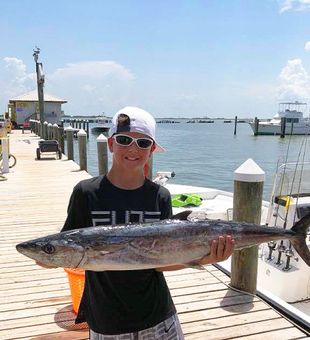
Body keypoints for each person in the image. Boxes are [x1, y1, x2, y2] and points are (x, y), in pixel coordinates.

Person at [39, 106, 235, 339]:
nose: (133, 149)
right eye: (124, 140)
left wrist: (206, 258)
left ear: (152, 149)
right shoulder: (86, 192)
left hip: (157, 314)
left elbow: (160, 262)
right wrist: (46, 255)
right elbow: (67, 249)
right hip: (106, 318)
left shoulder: (159, 195)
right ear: (111, 144)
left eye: (143, 143)